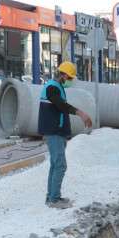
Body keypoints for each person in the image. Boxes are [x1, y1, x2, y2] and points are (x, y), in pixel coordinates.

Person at [39, 61, 93, 209]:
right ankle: (54, 199)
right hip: (54, 132)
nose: (70, 81)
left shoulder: (57, 87)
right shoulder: (51, 88)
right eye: (69, 77)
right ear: (62, 75)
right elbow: (61, 105)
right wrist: (80, 113)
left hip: (57, 131)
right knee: (60, 165)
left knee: (55, 164)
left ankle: (51, 197)